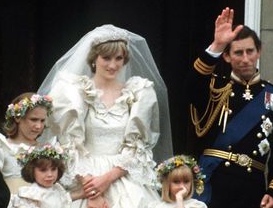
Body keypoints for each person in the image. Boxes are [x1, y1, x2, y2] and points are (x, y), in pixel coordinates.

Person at [37, 24, 172, 208]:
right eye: (106, 58)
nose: (113, 65)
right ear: (94, 59)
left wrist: (108, 179)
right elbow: (68, 146)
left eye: (119, 58)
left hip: (123, 177)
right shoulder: (74, 92)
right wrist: (91, 188)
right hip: (84, 177)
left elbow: (137, 147)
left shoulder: (138, 93)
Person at [187, 7, 273, 208]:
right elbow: (190, 86)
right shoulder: (215, 86)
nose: (245, 59)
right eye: (238, 52)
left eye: (250, 51)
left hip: (251, 190)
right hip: (212, 185)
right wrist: (217, 46)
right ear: (227, 57)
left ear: (258, 52)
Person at [0, 92, 53, 195]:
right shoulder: (1, 146)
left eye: (42, 121)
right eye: (34, 119)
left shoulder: (47, 150)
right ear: (18, 117)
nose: (38, 126)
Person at [8, 144, 87, 208]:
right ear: (32, 171)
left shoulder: (57, 188)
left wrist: (81, 193)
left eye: (53, 169)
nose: (50, 175)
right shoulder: (31, 195)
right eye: (43, 170)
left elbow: (63, 200)